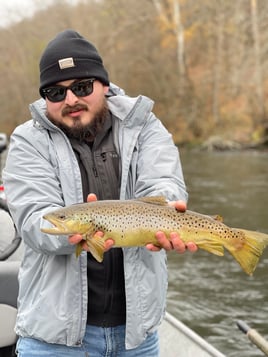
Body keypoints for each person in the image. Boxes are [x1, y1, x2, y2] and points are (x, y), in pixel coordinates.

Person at [3, 29, 197, 357]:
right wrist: (80, 231)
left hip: (136, 336)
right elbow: (36, 223)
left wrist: (168, 216)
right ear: (44, 98)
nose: (70, 100)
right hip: (53, 339)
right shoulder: (27, 141)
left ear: (104, 85)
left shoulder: (146, 126)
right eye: (55, 92)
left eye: (81, 87)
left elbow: (163, 184)